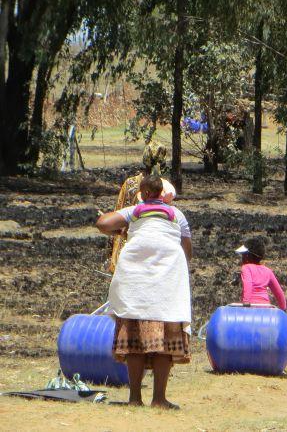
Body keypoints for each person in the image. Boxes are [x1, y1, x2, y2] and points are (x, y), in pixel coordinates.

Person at [95, 175, 192, 409]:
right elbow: (187, 251)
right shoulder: (177, 215)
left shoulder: (135, 211)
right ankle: (159, 399)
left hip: (136, 284)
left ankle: (135, 398)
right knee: (165, 343)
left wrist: (123, 231)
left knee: (133, 342)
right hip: (166, 284)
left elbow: (103, 224)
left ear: (146, 193)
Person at [108, 142, 177, 272]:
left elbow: (118, 213)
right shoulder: (165, 188)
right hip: (157, 251)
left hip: (128, 246)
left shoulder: (130, 183)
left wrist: (112, 249)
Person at [236, 237, 287, 310]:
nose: (242, 257)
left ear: (247, 256)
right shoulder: (268, 271)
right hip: (266, 307)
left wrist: (246, 302)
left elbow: (248, 284)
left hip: (251, 307)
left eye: (243, 254)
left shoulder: (246, 268)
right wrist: (283, 308)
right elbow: (279, 292)